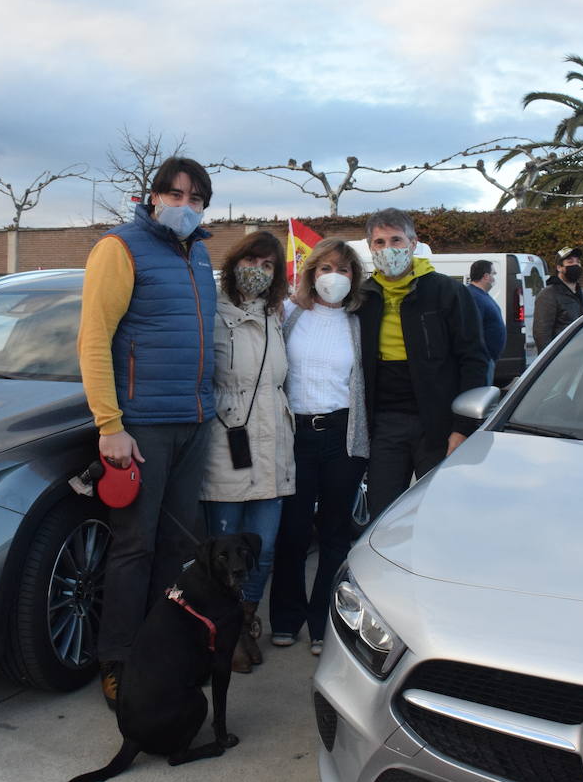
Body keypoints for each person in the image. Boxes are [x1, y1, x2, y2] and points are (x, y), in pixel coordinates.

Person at [77, 156, 217, 710]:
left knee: (181, 545)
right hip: (140, 427)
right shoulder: (120, 247)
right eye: (175, 195)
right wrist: (110, 426)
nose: (185, 206)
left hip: (193, 419)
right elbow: (93, 340)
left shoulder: (199, 253)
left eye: (196, 198)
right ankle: (117, 661)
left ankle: (164, 650)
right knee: (134, 546)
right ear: (153, 196)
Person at [199, 231, 294, 674]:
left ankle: (245, 621)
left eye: (269, 265)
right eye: (252, 259)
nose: (259, 270)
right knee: (222, 549)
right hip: (226, 439)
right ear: (235, 261)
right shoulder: (210, 311)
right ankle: (223, 631)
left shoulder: (279, 314)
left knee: (264, 546)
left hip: (273, 440)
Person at [355, 209, 487, 522]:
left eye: (396, 239)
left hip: (438, 427)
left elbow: (474, 358)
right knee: (384, 517)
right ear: (370, 247)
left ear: (413, 243)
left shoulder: (448, 292)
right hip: (385, 427)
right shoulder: (363, 298)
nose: (388, 249)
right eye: (379, 242)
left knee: (439, 516)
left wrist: (462, 428)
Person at [270, 239, 369, 655]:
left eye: (344, 269)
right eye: (326, 267)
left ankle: (320, 621)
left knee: (333, 532)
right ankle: (285, 618)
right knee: (292, 531)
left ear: (354, 277)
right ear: (311, 272)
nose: (334, 276)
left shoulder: (358, 320)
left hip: (342, 434)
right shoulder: (289, 314)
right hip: (295, 433)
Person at [533, 246, 583, 351]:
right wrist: (550, 361)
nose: (575, 265)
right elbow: (542, 334)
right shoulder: (548, 295)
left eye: (578, 262)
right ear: (559, 268)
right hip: (562, 356)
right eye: (570, 262)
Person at [465, 259, 506, 387]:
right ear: (486, 276)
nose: (494, 278)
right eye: (493, 274)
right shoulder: (473, 296)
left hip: (487, 360)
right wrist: (483, 356)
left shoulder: (482, 295)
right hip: (482, 361)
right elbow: (474, 329)